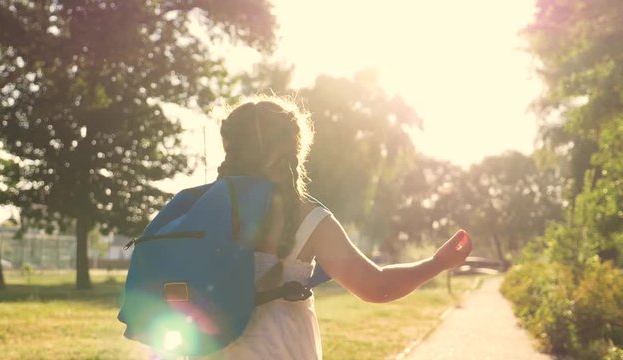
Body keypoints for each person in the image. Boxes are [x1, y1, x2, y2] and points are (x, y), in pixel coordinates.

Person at [195, 96, 472, 360]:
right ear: (292, 150)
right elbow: (377, 287)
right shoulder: (309, 218)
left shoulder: (199, 208)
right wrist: (438, 263)